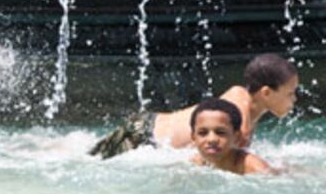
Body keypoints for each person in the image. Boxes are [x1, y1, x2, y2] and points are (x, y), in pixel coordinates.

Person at [89, 53, 298, 159]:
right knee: (86, 160)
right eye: (290, 93)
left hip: (149, 134)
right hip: (143, 135)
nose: (294, 100)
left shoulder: (245, 110)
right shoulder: (238, 104)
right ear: (266, 93)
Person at [190, 97, 272, 175]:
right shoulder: (194, 164)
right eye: (203, 133)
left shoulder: (256, 170)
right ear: (193, 137)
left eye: (220, 132)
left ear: (237, 137)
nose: (212, 139)